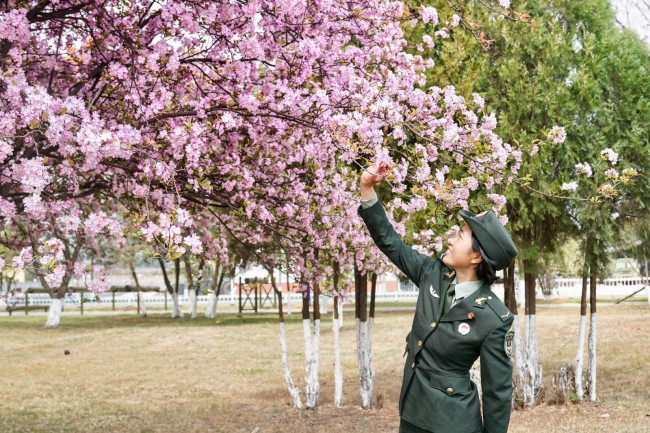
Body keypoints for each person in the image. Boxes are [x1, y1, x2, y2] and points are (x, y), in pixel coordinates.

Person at [359, 162, 518, 433]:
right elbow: (390, 243)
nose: (451, 240)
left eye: (462, 237)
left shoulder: (494, 318)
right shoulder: (433, 274)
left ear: (477, 256)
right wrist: (367, 188)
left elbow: (497, 392)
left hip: (453, 423)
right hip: (412, 412)